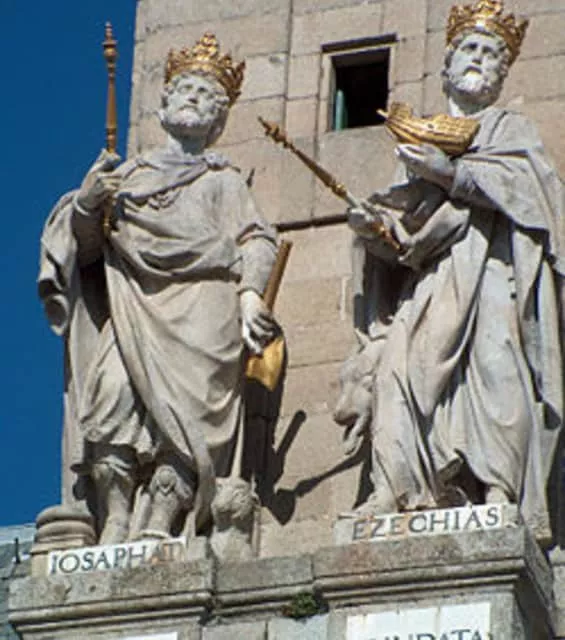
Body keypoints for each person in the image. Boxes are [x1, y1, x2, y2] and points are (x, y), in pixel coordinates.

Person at [38, 33, 278, 544]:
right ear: (165, 105)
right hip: (133, 306)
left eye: (207, 95)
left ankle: (160, 521)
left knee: (189, 419)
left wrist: (251, 294)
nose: (194, 98)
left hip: (203, 309)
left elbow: (257, 239)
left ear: (217, 120)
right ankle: (116, 518)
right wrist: (86, 204)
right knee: (112, 398)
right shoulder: (125, 178)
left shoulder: (224, 180)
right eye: (185, 89)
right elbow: (87, 251)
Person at [345, 0, 564, 541]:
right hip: (432, 283)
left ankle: (499, 493)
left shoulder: (511, 131)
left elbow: (534, 200)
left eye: (491, 54)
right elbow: (404, 240)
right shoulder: (416, 142)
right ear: (446, 65)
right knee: (399, 375)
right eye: (470, 49)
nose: (479, 60)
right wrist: (373, 231)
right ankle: (397, 489)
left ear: (502, 74)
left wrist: (452, 175)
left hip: (492, 274)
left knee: (498, 371)